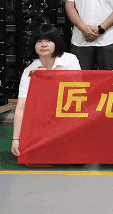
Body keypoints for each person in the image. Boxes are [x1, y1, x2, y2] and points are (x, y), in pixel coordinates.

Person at [11, 25, 80, 157]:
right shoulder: (29, 71)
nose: (44, 45)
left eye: (49, 40)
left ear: (56, 43)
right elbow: (21, 107)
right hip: (44, 116)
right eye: (39, 41)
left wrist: (49, 77)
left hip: (69, 113)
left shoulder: (70, 60)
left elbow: (76, 92)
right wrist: (16, 139)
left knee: (73, 157)